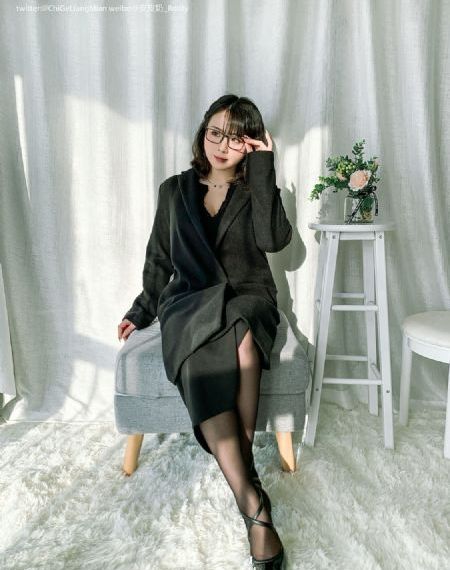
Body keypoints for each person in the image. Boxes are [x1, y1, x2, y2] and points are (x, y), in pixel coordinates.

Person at [117, 94, 292, 569]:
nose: (222, 145)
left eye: (235, 138)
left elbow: (274, 240)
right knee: (205, 354)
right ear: (202, 133)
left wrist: (264, 166)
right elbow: (159, 257)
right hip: (191, 299)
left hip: (248, 294)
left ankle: (248, 499)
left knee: (243, 337)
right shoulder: (174, 190)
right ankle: (254, 502)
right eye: (215, 132)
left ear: (249, 144)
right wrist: (142, 308)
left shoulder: (255, 186)